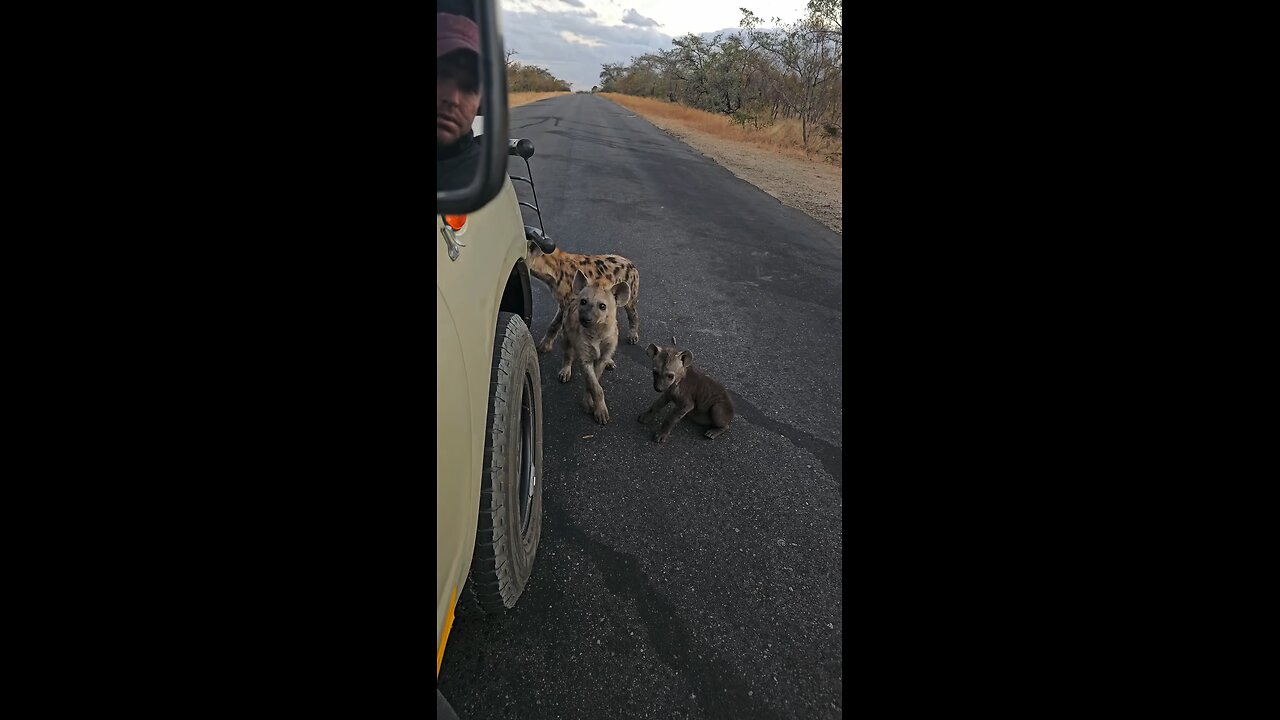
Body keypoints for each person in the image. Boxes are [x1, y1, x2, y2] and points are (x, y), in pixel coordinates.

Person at [437, 12, 484, 191]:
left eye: (469, 87)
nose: (453, 99)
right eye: (439, 74)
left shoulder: (482, 175)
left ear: (480, 103)